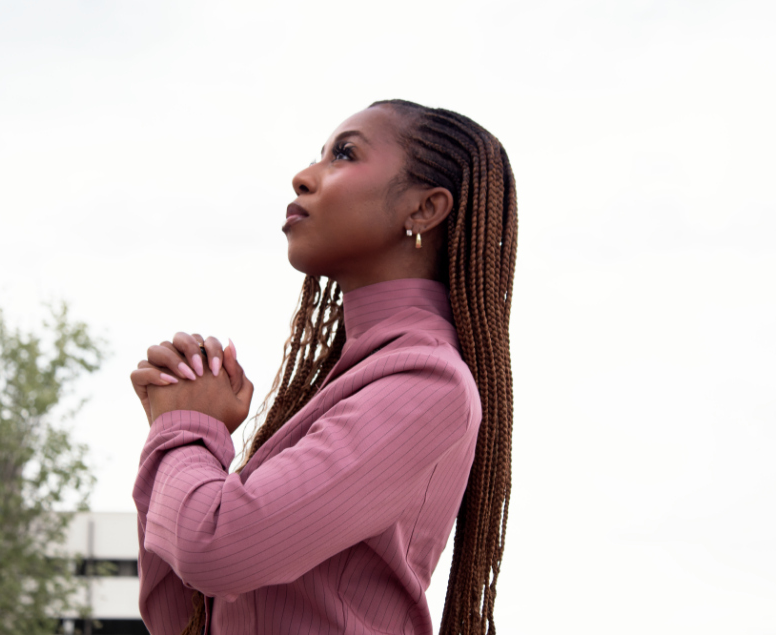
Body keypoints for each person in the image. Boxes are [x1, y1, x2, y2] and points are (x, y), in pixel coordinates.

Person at [130, 99, 518, 635]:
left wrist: (186, 431)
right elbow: (177, 618)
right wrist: (182, 430)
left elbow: (216, 549)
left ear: (424, 209)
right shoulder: (350, 382)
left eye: (344, 154)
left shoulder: (427, 382)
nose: (303, 176)